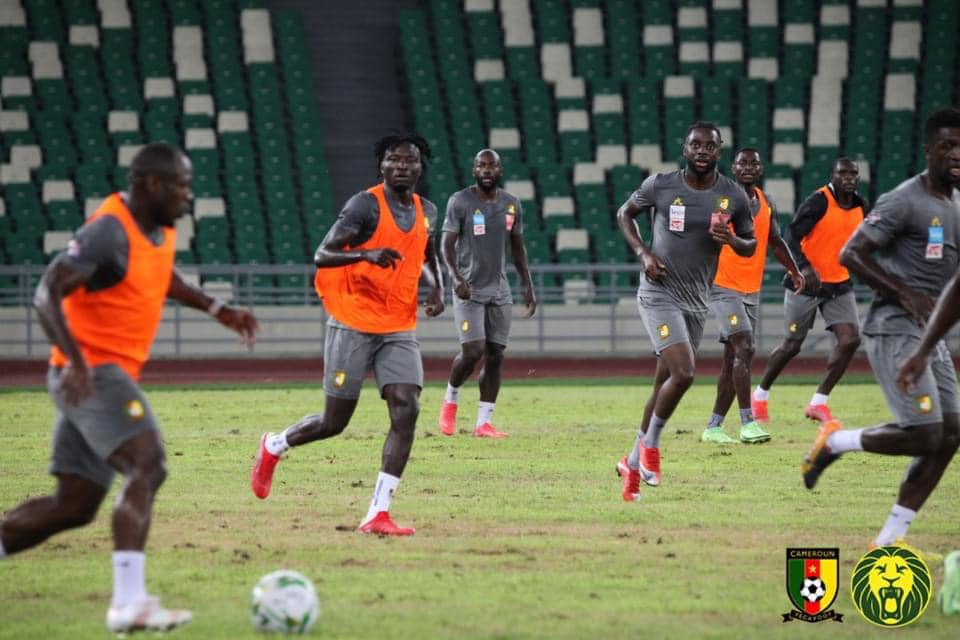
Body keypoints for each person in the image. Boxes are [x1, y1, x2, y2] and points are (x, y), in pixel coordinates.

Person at [0, 143, 260, 633]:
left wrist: (217, 309)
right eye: (182, 185)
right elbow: (46, 292)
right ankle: (129, 603)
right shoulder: (108, 231)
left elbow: (162, 276)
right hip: (92, 373)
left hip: (97, 375)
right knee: (148, 463)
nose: (188, 195)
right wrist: (77, 363)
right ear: (153, 184)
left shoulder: (157, 230)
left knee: (73, 506)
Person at [250, 134, 444, 536]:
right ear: (382, 166)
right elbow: (322, 254)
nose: (402, 166)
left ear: (420, 167)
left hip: (398, 326)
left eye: (410, 161)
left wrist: (437, 286)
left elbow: (426, 251)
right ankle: (274, 445)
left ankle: (378, 513)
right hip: (353, 321)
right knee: (334, 422)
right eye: (394, 160)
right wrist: (365, 254)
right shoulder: (364, 205)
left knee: (406, 408)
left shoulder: (427, 210)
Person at [802, 108, 960, 552]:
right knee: (925, 433)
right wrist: (904, 293)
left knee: (951, 433)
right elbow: (850, 254)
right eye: (947, 145)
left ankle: (890, 540)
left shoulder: (957, 205)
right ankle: (836, 441)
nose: (956, 154)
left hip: (927, 335)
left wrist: (929, 338)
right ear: (928, 150)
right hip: (893, 329)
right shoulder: (903, 200)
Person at [614, 121, 756, 501]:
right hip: (659, 293)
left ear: (719, 151)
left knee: (664, 384)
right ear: (685, 148)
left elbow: (751, 245)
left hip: (696, 301)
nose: (702, 151)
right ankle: (651, 450)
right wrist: (644, 254)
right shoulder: (661, 185)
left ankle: (630, 465)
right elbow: (624, 214)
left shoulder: (732, 195)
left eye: (710, 145)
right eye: (696, 144)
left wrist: (733, 240)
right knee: (685, 373)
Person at [751, 157, 867, 424]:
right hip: (806, 284)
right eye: (842, 173)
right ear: (832, 176)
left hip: (839, 284)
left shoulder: (861, 205)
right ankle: (760, 395)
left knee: (850, 339)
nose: (848, 178)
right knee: (792, 345)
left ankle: (818, 403)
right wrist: (803, 267)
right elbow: (790, 235)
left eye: (853, 174)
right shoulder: (819, 201)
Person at [701, 149, 805, 445]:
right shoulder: (724, 199)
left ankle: (713, 427)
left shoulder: (766, 201)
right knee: (745, 348)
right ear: (733, 168)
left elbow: (775, 240)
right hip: (723, 285)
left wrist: (795, 270)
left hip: (751, 289)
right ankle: (748, 422)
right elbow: (714, 237)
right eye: (742, 163)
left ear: (760, 168)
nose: (748, 167)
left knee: (733, 358)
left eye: (753, 163)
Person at [437, 149, 536, 439]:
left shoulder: (511, 204)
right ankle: (451, 399)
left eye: (492, 166)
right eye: (481, 165)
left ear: (500, 170)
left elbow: (517, 247)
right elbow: (445, 245)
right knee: (473, 351)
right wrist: (455, 278)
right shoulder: (460, 201)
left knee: (495, 355)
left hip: (500, 290)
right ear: (474, 171)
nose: (487, 170)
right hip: (468, 288)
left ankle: (484, 423)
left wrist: (527, 284)